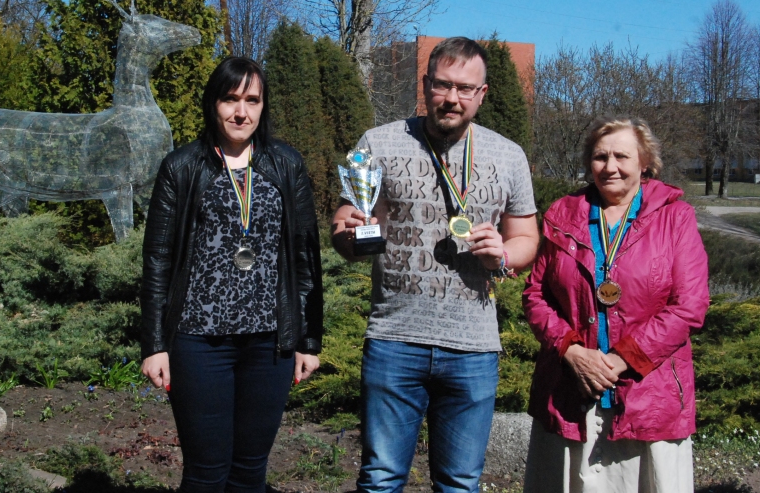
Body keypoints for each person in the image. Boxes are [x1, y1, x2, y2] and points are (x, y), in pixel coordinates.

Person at [332, 37, 540, 493]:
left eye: (465, 89)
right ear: (425, 86)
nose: (452, 98)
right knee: (381, 478)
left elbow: (527, 240)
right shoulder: (378, 142)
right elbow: (346, 228)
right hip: (394, 339)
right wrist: (350, 233)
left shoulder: (509, 156)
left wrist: (503, 253)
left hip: (472, 347)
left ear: (482, 95)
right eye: (442, 85)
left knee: (460, 484)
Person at [140, 57, 323, 493]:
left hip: (269, 346)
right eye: (231, 99)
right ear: (213, 103)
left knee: (249, 473)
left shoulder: (285, 165)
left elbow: (304, 257)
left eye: (252, 100)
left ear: (263, 107)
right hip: (199, 343)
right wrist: (154, 345)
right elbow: (157, 261)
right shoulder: (182, 167)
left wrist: (308, 340)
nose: (241, 112)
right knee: (205, 473)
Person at [522, 117, 709, 493]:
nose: (610, 167)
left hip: (647, 395)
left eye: (621, 156)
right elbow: (535, 295)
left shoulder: (675, 217)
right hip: (570, 390)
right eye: (600, 157)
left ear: (645, 162)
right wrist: (571, 350)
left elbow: (689, 306)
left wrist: (621, 360)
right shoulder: (562, 216)